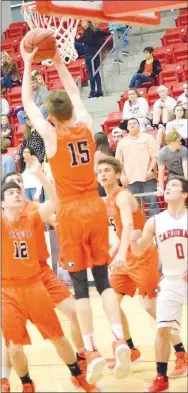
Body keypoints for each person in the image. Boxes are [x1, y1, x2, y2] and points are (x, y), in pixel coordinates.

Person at [20, 40, 131, 385]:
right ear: (72, 107)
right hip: (95, 206)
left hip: (69, 211)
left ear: (51, 115)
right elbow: (73, 91)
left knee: (81, 287)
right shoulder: (84, 121)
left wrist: (27, 63)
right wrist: (57, 60)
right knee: (104, 280)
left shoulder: (52, 137)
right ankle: (118, 338)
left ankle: (91, 348)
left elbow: (25, 102)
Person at [1, 158, 99, 393]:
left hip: (35, 284)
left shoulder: (32, 214)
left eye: (18, 190)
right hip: (8, 290)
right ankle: (26, 383)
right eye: (10, 192)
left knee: (57, 336)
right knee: (13, 348)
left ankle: (77, 374)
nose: (15, 194)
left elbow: (56, 203)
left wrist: (41, 176)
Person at [97, 156, 160, 364]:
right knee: (111, 304)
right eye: (100, 172)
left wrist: (122, 253)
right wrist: (112, 254)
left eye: (107, 170)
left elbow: (129, 226)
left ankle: (181, 353)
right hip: (126, 256)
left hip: (141, 255)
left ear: (117, 174)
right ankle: (131, 350)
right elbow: (121, 232)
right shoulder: (107, 200)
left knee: (151, 308)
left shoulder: (122, 196)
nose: (103, 174)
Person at [130, 176, 188, 392]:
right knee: (162, 329)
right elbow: (138, 251)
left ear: (184, 194)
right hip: (171, 282)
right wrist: (133, 240)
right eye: (167, 185)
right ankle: (161, 378)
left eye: (174, 185)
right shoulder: (154, 221)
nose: (167, 188)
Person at [116, 118, 160, 217]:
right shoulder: (122, 142)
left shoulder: (148, 138)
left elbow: (155, 156)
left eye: (134, 123)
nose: (132, 125)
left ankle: (156, 230)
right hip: (130, 181)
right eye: (130, 124)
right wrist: (122, 176)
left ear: (139, 125)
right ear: (127, 127)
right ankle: (140, 230)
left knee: (153, 205)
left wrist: (151, 170)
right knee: (134, 208)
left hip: (148, 178)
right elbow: (118, 162)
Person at [78, 21, 110, 98]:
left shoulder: (89, 32)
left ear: (88, 23)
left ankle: (93, 91)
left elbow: (89, 40)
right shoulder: (92, 31)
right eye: (82, 22)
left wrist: (81, 39)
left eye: (84, 21)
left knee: (92, 73)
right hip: (94, 53)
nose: (82, 23)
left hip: (90, 54)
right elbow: (101, 33)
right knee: (95, 73)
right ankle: (99, 90)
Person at [157, 130, 188, 196]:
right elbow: (161, 171)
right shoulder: (162, 153)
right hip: (173, 173)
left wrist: (186, 183)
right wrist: (161, 188)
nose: (180, 143)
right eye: (178, 141)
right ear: (171, 143)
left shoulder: (184, 150)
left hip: (184, 172)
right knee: (173, 184)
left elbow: (185, 167)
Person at [94, 132, 114, 196]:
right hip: (111, 180)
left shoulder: (98, 153)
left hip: (102, 181)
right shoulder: (109, 151)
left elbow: (95, 170)